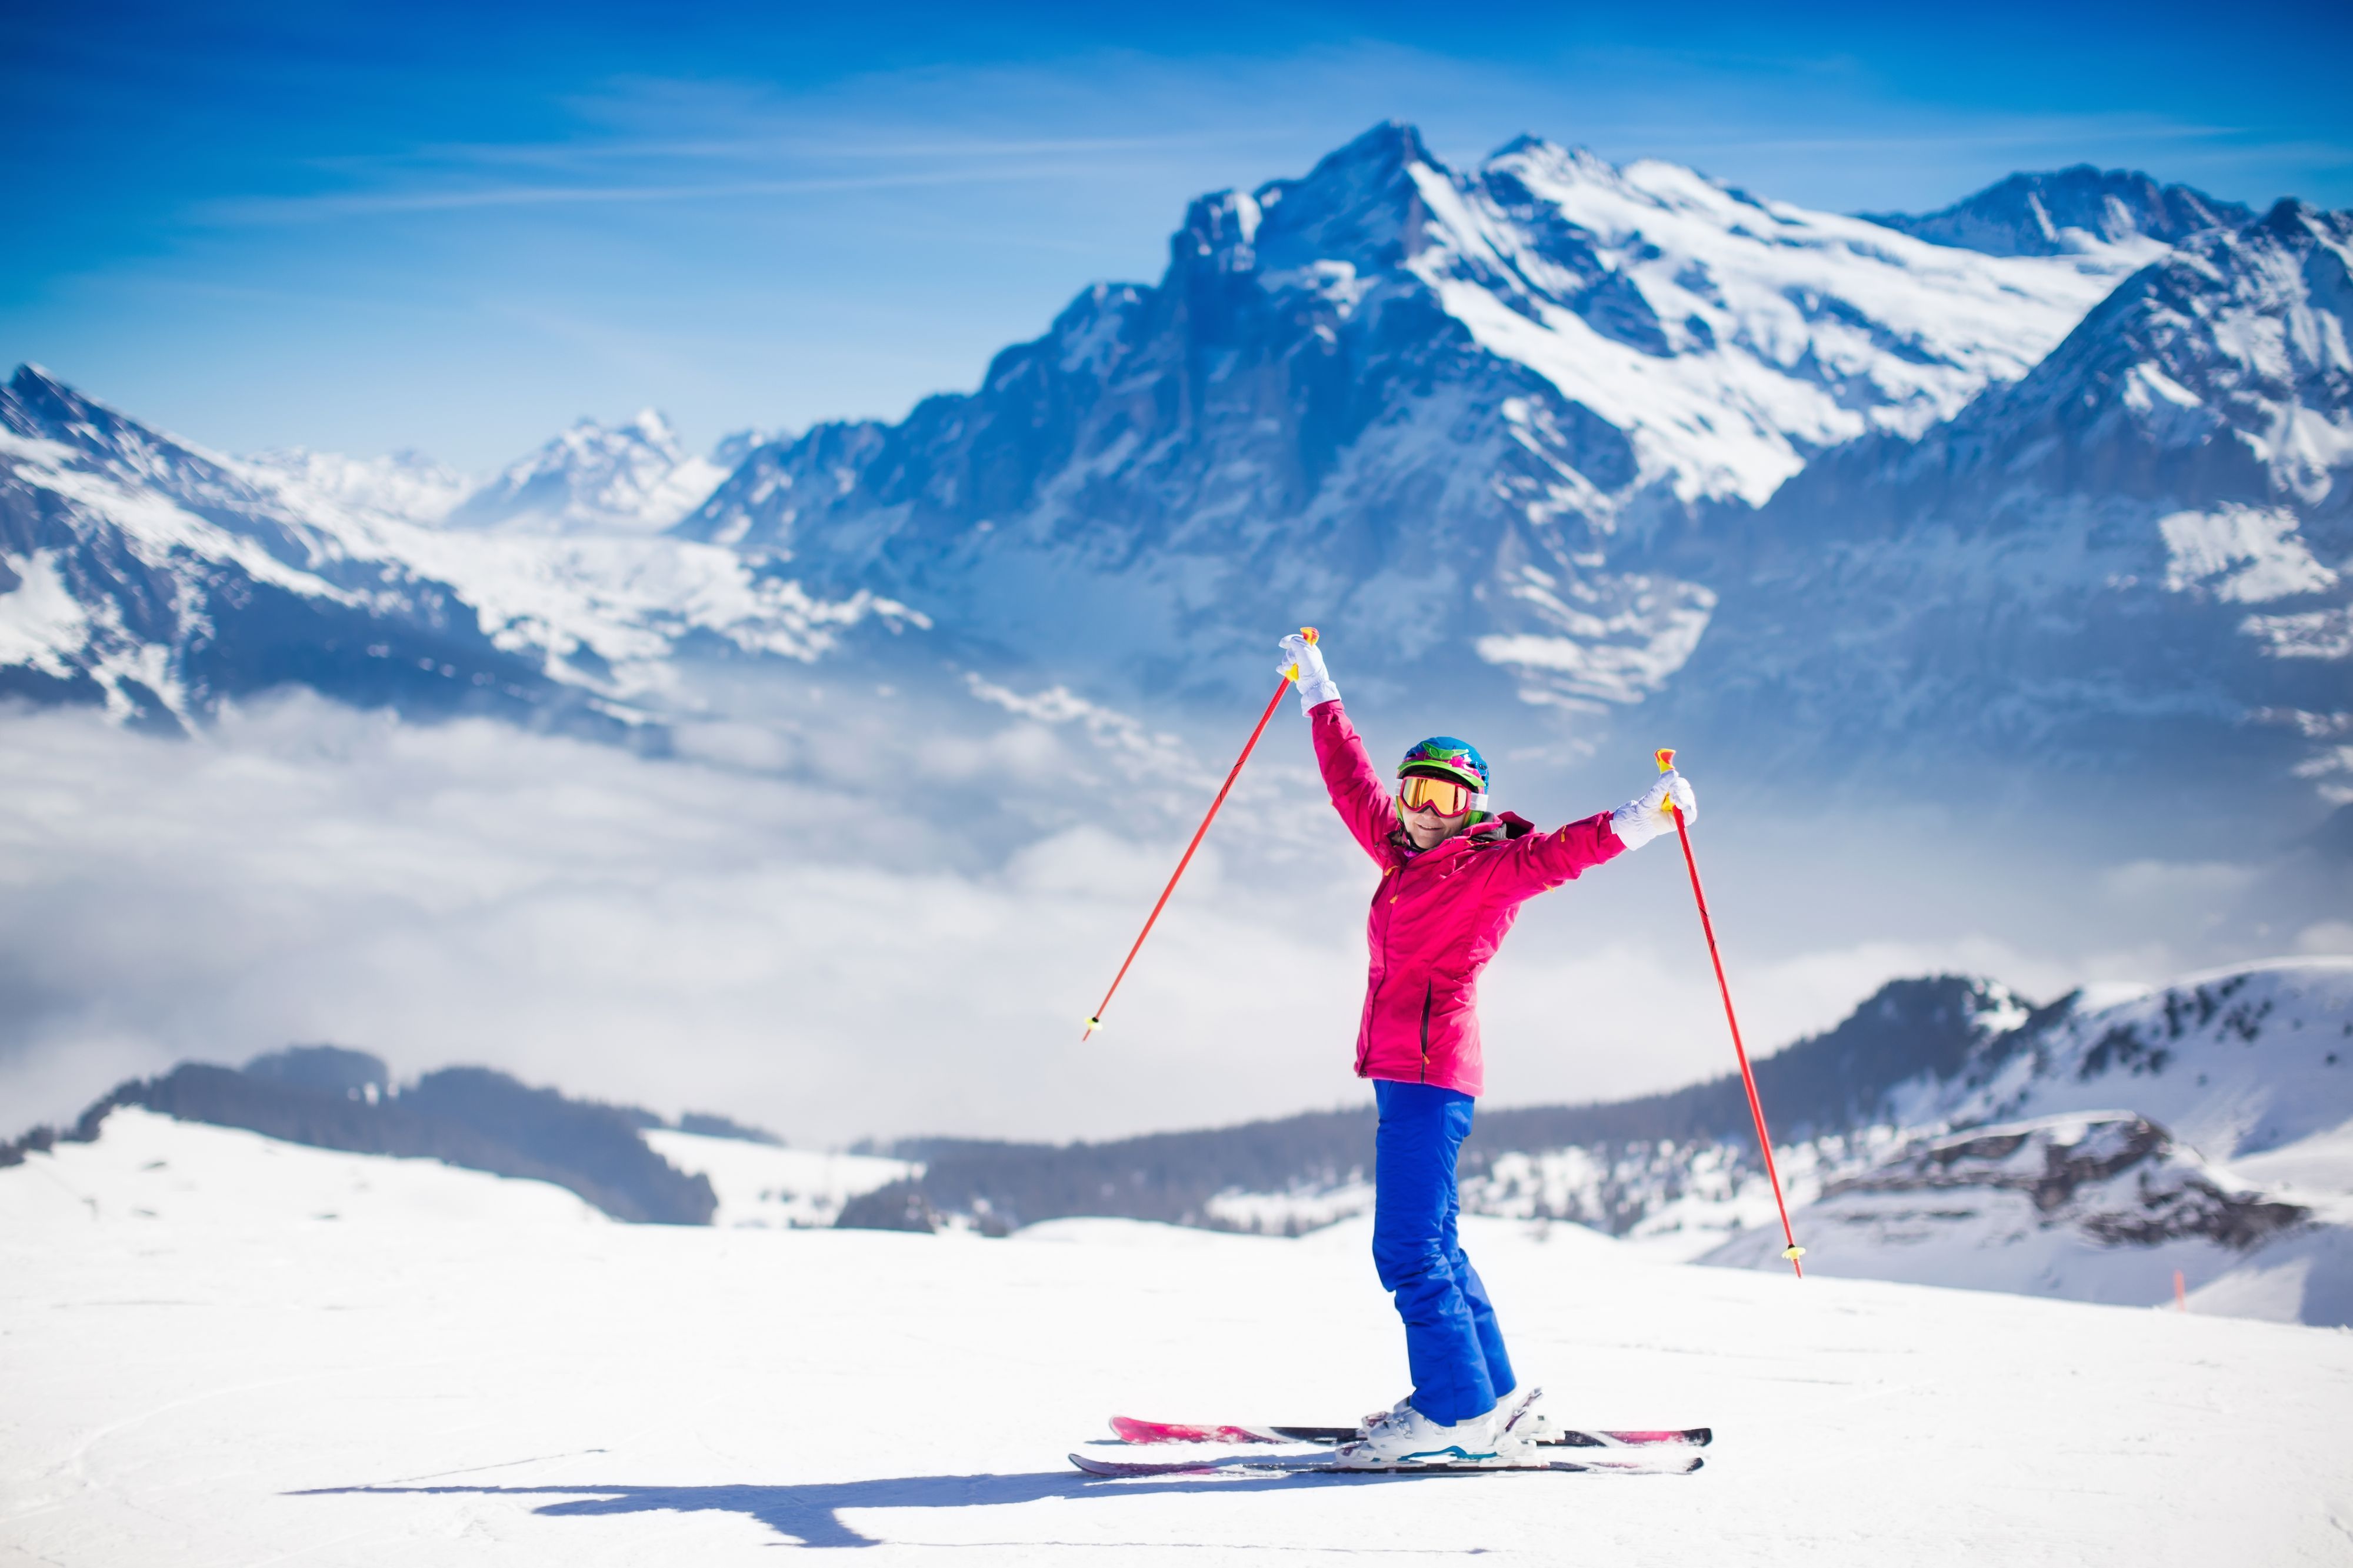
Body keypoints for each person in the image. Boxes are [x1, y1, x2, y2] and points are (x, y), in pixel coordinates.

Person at [1275, 631, 1697, 1468]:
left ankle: (1453, 1412)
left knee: (1405, 1247)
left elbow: (1561, 855)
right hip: (1405, 1073)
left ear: (1473, 807)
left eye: (1447, 796)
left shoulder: (1487, 868)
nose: (1427, 809)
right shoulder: (1398, 849)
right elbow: (1347, 779)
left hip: (1430, 1074)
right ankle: (1494, 1399)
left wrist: (1641, 821)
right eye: (1416, 791)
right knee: (1438, 1240)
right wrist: (1318, 691)